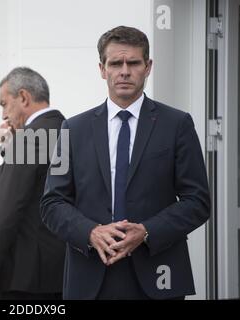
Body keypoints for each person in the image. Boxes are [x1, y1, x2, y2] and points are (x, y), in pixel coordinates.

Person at [40, 26, 210, 300]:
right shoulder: (71, 129)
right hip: (90, 277)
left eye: (133, 63)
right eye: (115, 63)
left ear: (148, 66)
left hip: (159, 276)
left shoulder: (177, 124)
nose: (124, 71)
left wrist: (146, 231)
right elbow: (52, 203)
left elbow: (198, 201)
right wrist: (91, 232)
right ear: (102, 69)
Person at [0, 67, 65, 300]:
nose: (4, 115)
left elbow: (5, 211)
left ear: (23, 97)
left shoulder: (27, 141)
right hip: (66, 273)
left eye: (4, 104)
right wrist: (10, 147)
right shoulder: (71, 131)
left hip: (25, 279)